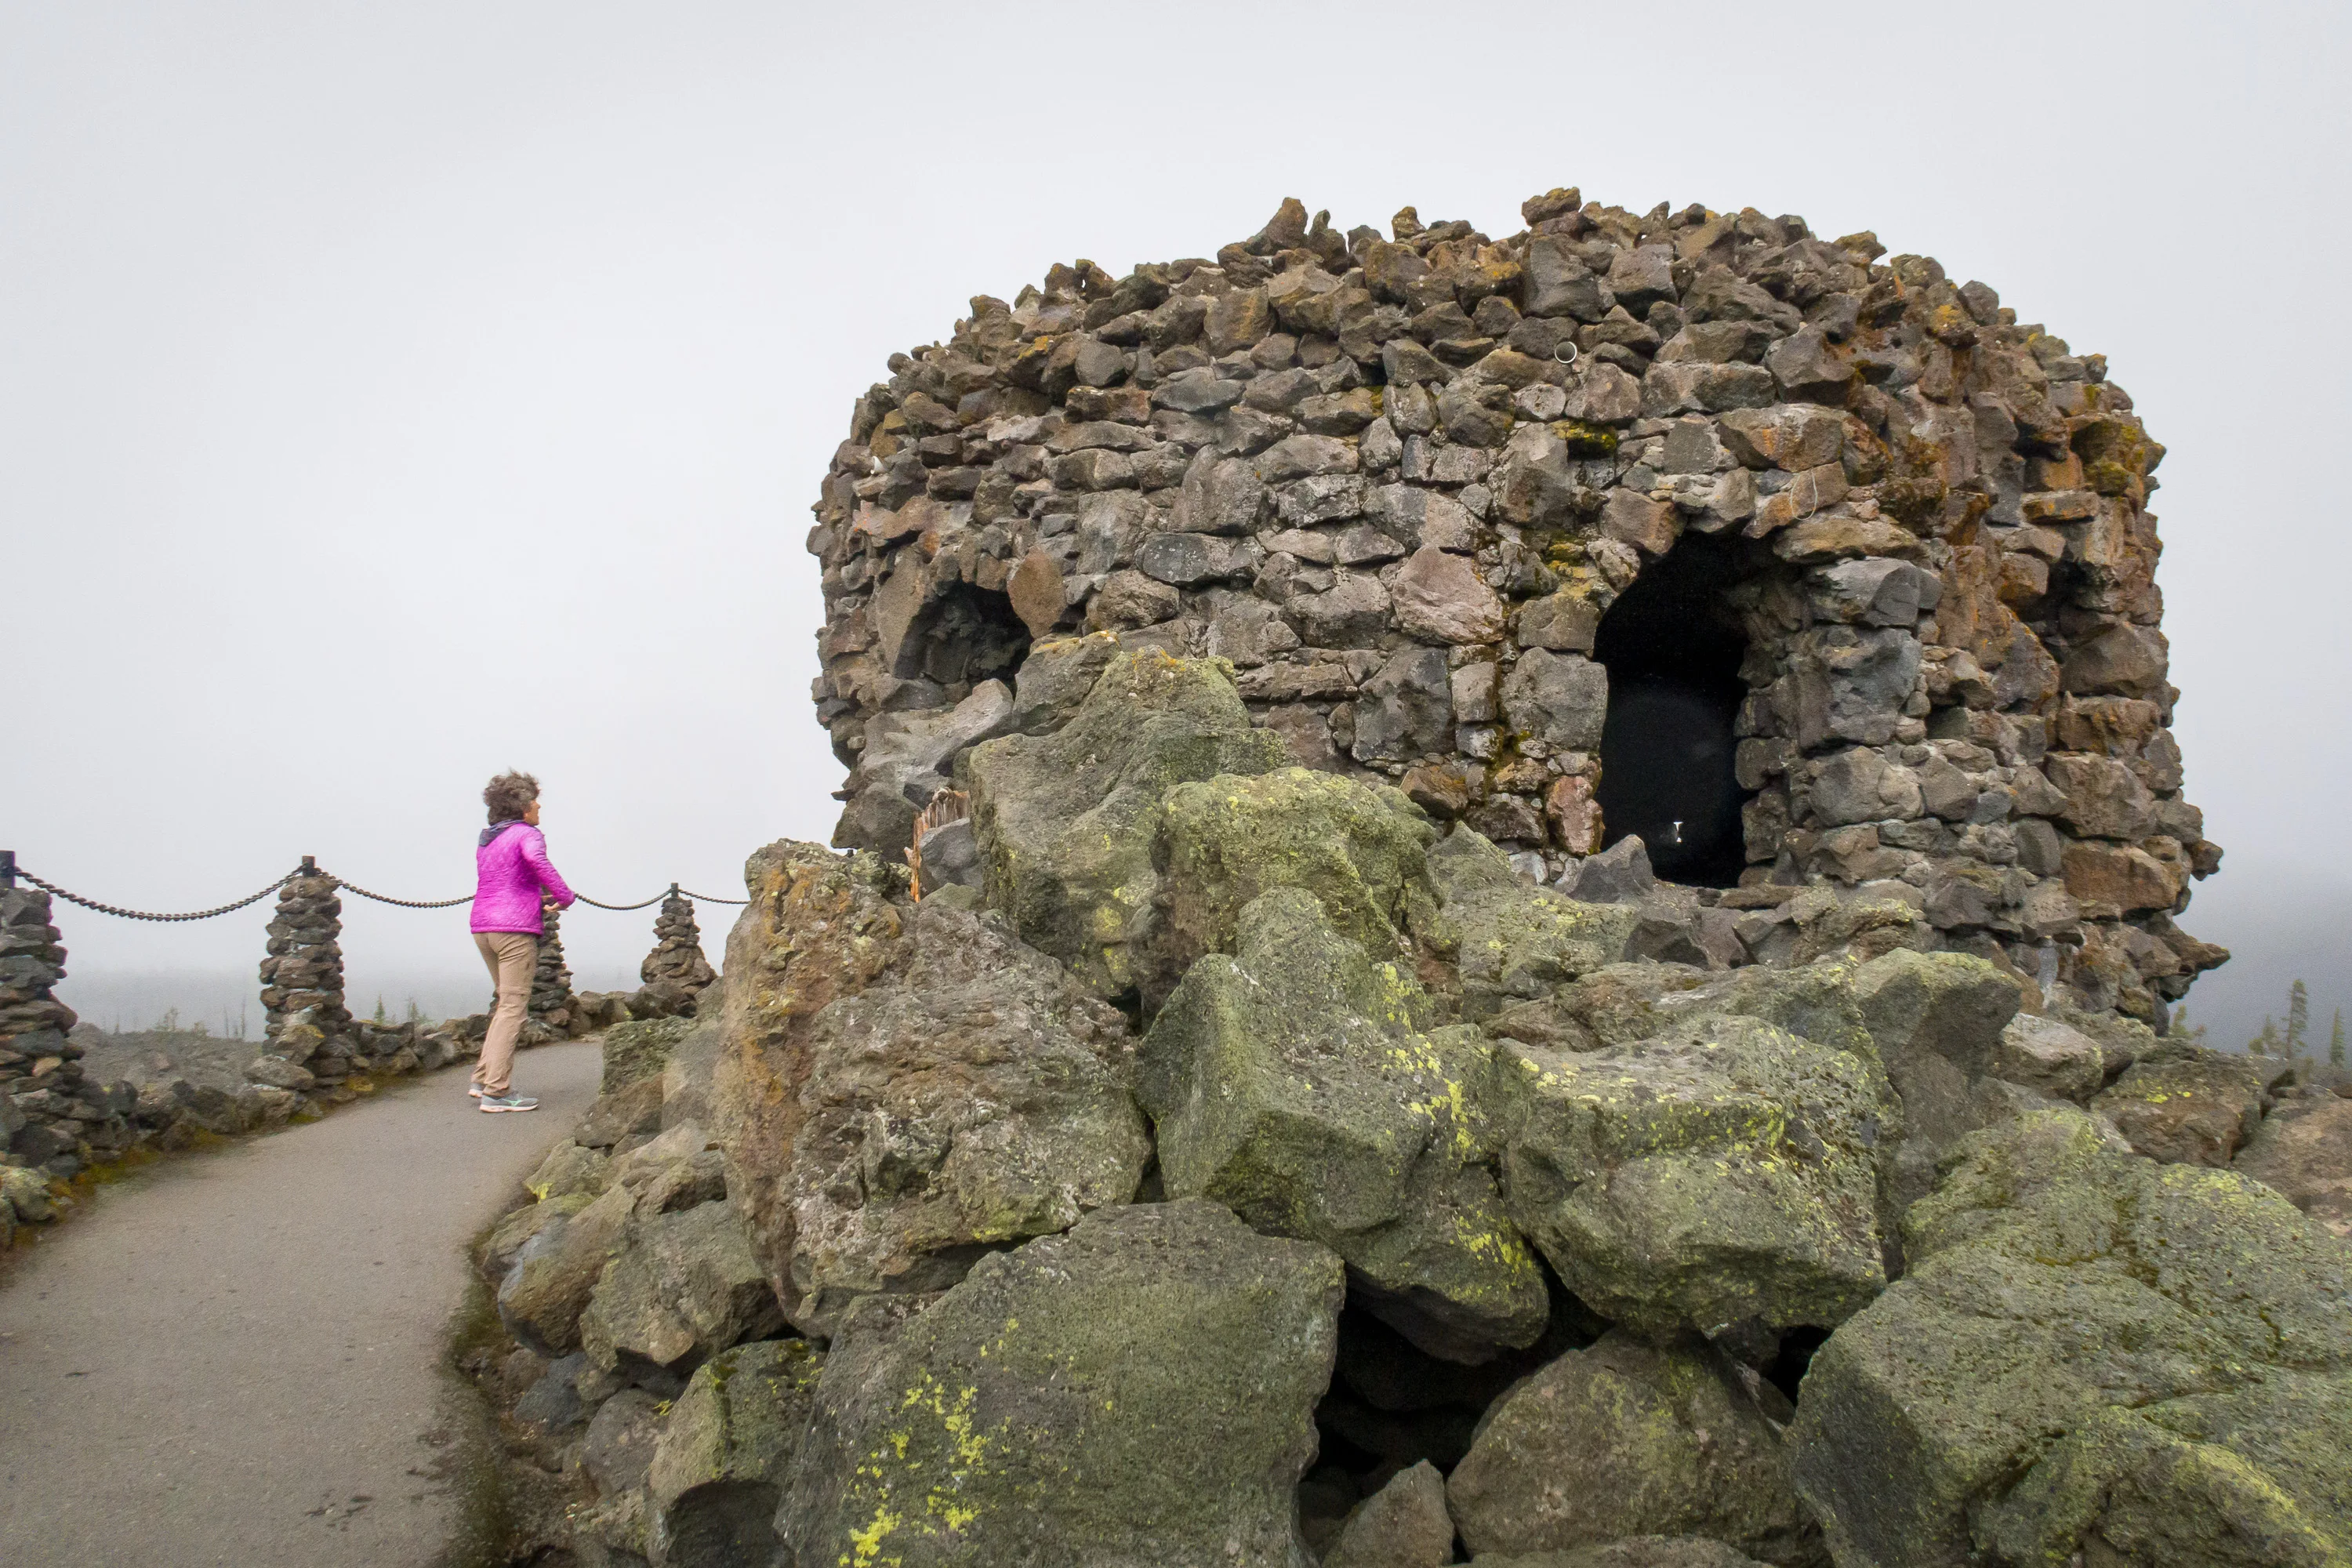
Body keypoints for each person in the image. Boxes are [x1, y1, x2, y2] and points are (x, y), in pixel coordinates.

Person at [469, 770, 575, 1112]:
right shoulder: (527, 834)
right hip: (514, 932)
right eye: (534, 800)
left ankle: (482, 1079)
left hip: (484, 928)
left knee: (504, 1004)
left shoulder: (488, 839)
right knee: (514, 1007)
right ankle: (496, 1093)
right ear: (523, 807)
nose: (539, 805)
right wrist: (563, 895)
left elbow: (508, 882)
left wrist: (535, 898)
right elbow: (536, 861)